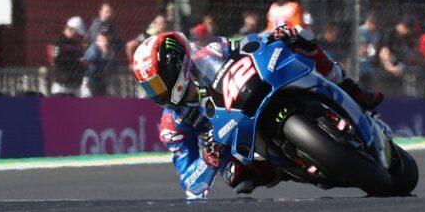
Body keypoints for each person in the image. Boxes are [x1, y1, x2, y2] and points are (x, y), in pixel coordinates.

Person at [132, 25, 382, 199]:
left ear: (175, 63)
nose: (156, 92)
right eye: (150, 86)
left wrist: (275, 35)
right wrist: (208, 160)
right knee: (238, 178)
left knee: (299, 38)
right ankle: (293, 167)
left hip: (253, 92)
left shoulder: (210, 51)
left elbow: (250, 42)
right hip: (227, 143)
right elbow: (190, 183)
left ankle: (350, 88)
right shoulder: (171, 126)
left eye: (157, 82)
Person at [377, 15, 419, 95]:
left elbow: (410, 54)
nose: (410, 31)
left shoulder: (407, 37)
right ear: (404, 26)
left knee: (399, 94)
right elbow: (383, 52)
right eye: (409, 28)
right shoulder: (390, 33)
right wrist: (391, 68)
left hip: (399, 71)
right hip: (385, 70)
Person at [49, 16, 88, 95]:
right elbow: (57, 59)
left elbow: (81, 59)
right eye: (76, 33)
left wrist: (83, 63)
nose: (77, 36)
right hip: (62, 85)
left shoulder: (76, 44)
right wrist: (76, 60)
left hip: (75, 84)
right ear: (71, 29)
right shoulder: (58, 41)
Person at [82, 31, 118, 97]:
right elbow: (87, 61)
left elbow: (112, 63)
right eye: (102, 37)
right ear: (98, 38)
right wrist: (104, 51)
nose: (105, 39)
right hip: (92, 78)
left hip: (104, 78)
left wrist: (105, 51)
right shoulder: (94, 47)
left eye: (106, 37)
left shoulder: (110, 49)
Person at [356, 14, 382, 90]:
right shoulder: (359, 31)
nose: (374, 27)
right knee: (359, 85)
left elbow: (376, 46)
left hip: (370, 63)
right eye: (372, 24)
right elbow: (361, 48)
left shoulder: (375, 33)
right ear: (367, 22)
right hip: (359, 63)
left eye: (375, 25)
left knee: (370, 86)